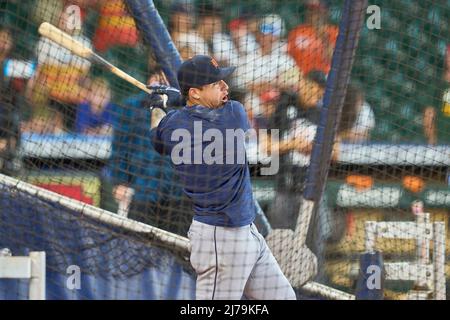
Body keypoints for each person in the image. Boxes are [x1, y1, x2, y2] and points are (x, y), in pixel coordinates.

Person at [150, 55, 296, 300]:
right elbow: (199, 114)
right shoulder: (233, 115)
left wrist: (156, 104)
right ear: (195, 93)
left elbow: (156, 134)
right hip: (221, 238)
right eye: (216, 84)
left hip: (245, 232)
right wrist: (176, 97)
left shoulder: (172, 125)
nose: (225, 87)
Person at [108, 72, 192, 236]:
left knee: (180, 246)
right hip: (142, 190)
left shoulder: (186, 107)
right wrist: (120, 181)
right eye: (157, 77)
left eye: (165, 78)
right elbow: (120, 148)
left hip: (178, 192)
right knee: (138, 245)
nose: (160, 82)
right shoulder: (132, 106)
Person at [287, 0, 338, 75]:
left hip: (325, 80)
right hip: (300, 79)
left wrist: (324, 36)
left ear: (326, 11)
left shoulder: (334, 32)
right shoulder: (297, 31)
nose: (312, 13)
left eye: (316, 9)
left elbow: (334, 60)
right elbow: (289, 58)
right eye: (310, 9)